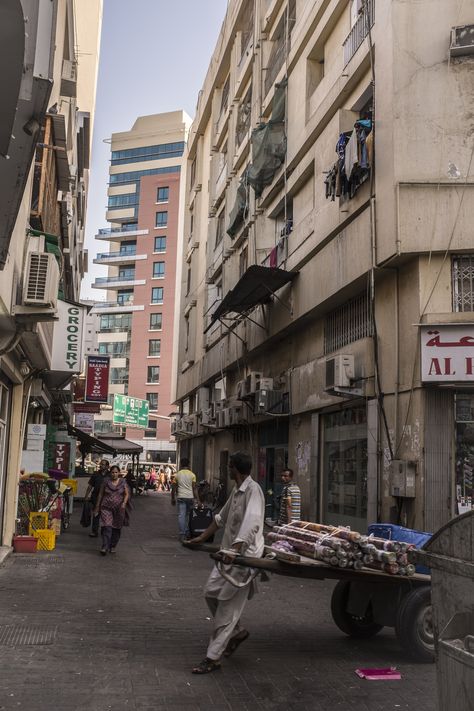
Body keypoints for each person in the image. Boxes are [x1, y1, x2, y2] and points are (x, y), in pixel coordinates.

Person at [185, 451, 265, 674]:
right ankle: (237, 632)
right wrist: (201, 538)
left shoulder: (253, 491)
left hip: (244, 558)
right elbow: (220, 518)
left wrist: (237, 550)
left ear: (235, 469)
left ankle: (213, 657)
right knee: (210, 592)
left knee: (227, 607)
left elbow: (252, 523)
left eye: (229, 467)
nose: (228, 470)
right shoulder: (237, 492)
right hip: (228, 553)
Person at [94, 465, 129, 555]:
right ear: (110, 473)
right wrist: (97, 506)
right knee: (107, 526)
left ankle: (113, 545)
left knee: (116, 528)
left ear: (119, 473)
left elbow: (126, 494)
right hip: (106, 508)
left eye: (116, 472)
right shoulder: (105, 482)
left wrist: (124, 503)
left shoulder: (123, 482)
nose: (114, 474)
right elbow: (101, 494)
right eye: (112, 472)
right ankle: (105, 546)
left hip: (119, 509)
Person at [171, 458, 197, 541]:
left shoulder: (177, 475)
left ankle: (182, 534)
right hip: (190, 497)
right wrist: (198, 500)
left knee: (181, 516)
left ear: (181, 464)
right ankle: (187, 532)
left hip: (181, 497)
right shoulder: (192, 475)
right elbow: (194, 489)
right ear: (189, 464)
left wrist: (172, 498)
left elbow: (173, 488)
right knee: (188, 515)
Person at [84, 459, 109, 538]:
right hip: (95, 497)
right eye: (101, 464)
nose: (101, 465)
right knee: (96, 514)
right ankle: (94, 531)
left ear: (107, 466)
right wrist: (86, 495)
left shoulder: (109, 475)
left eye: (103, 464)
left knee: (105, 515)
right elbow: (90, 486)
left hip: (106, 498)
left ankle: (104, 531)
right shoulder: (95, 474)